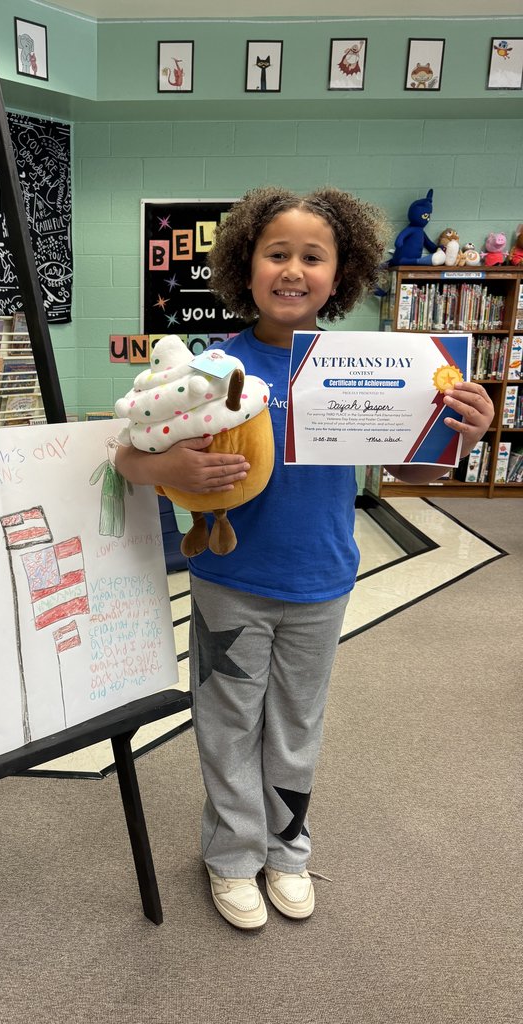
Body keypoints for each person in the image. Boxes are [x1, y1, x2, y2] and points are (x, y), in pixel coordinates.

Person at [115, 186, 494, 930]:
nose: (292, 270)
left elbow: (409, 473)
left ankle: (287, 847)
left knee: (295, 723)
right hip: (229, 580)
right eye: (276, 253)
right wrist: (172, 473)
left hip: (321, 582)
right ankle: (231, 856)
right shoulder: (211, 364)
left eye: (312, 257)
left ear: (341, 271)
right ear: (244, 265)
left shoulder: (372, 365)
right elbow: (127, 456)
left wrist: (461, 440)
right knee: (226, 720)